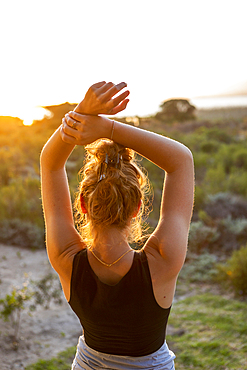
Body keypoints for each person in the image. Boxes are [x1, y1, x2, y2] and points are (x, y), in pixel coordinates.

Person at [40, 81, 194, 369]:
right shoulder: (162, 261)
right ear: (137, 208)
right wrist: (108, 129)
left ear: (83, 206)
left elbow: (50, 164)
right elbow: (181, 161)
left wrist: (81, 113)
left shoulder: (65, 258)